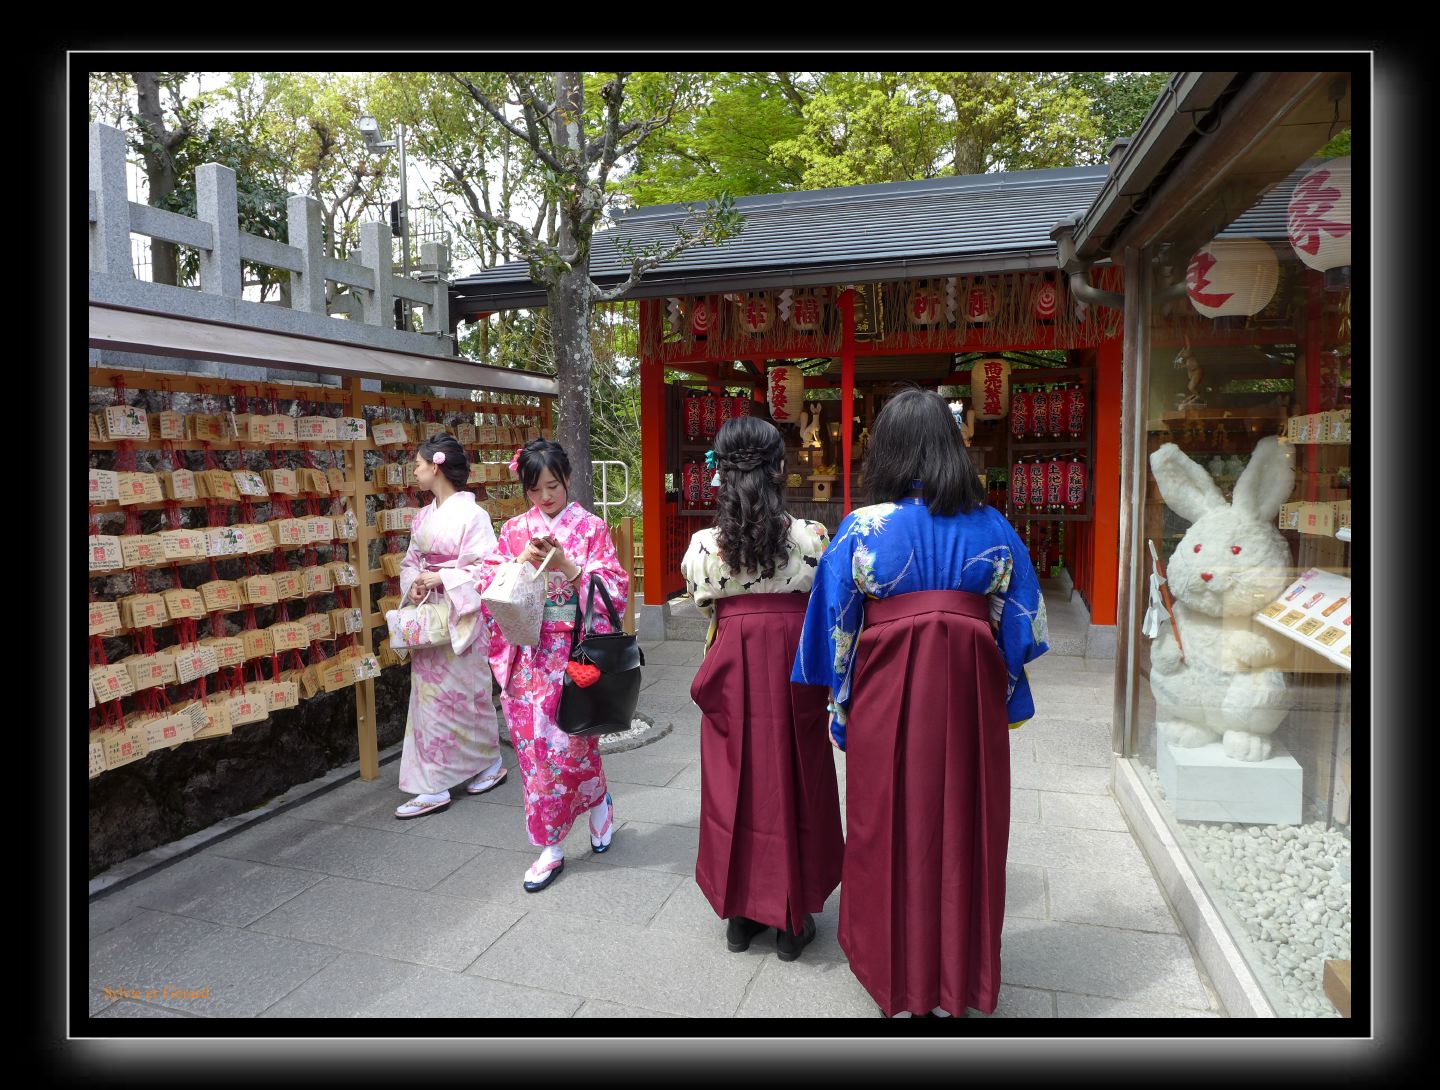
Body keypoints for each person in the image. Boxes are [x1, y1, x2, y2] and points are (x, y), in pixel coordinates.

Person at [792, 386, 1049, 1018]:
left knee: (885, 828)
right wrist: (1002, 689)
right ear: (949, 449)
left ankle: (894, 974)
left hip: (887, 697)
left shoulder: (863, 528)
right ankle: (958, 977)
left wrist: (839, 706)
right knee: (967, 828)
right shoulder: (994, 527)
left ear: (888, 451)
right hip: (968, 700)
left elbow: (835, 630)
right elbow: (1023, 625)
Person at [681, 414, 843, 962]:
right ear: (779, 468)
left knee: (736, 783)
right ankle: (791, 921)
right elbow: (825, 594)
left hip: (733, 660)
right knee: (796, 776)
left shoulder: (704, 544)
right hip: (792, 661)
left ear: (721, 474)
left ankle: (741, 916)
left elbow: (703, 599)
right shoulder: (809, 537)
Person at [477, 439, 630, 892]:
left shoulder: (591, 528)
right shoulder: (514, 532)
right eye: (536, 489)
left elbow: (615, 592)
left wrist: (569, 565)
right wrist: (518, 566)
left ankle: (598, 801)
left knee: (575, 744)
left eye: (554, 485)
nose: (546, 497)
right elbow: (489, 587)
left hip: (574, 656)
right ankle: (551, 845)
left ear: (567, 480)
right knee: (534, 754)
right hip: (528, 658)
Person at [394, 434, 506, 819]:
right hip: (431, 616)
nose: (415, 470)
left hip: (461, 616)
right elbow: (410, 562)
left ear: (436, 466)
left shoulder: (474, 516)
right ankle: (435, 782)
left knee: (468, 697)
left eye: (419, 463)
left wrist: (442, 578)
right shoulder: (423, 516)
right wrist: (417, 581)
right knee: (429, 702)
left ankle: (485, 765)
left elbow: (487, 568)